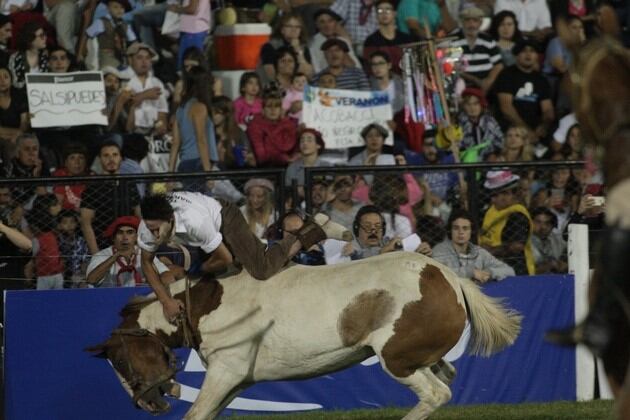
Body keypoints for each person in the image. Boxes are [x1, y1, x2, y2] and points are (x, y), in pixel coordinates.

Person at [137, 192, 333, 321]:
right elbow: (146, 262)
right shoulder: (148, 227)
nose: (154, 236)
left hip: (223, 216)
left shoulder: (194, 222)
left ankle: (311, 229)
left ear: (171, 220)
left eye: (157, 230)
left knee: (261, 269)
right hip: (201, 226)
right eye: (150, 229)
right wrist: (166, 301)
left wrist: (197, 269)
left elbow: (224, 258)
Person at [80, 140, 141, 255]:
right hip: (104, 246)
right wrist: (96, 254)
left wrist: (139, 246)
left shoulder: (129, 184)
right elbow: (86, 223)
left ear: (121, 158)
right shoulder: (93, 187)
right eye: (106, 155)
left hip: (129, 245)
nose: (111, 159)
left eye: (115, 155)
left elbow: (139, 215)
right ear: (100, 159)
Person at [86, 215, 173, 287]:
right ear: (113, 237)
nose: (125, 238)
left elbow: (167, 276)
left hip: (140, 300)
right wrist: (115, 257)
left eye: (130, 232)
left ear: (136, 237)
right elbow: (91, 280)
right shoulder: (102, 255)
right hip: (110, 300)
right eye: (120, 233)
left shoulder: (143, 253)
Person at [494, 38, 555, 138]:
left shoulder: (541, 79)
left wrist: (544, 126)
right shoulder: (506, 75)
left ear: (537, 56)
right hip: (511, 128)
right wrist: (526, 130)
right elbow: (506, 109)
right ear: (517, 55)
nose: (528, 54)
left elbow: (548, 109)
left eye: (532, 51)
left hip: (535, 130)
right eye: (523, 51)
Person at [433, 209, 515, 282]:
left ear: (471, 231)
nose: (461, 232)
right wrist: (471, 273)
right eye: (456, 228)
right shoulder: (439, 250)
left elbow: (510, 271)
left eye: (465, 228)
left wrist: (489, 273)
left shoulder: (479, 252)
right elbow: (437, 274)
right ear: (450, 230)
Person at [479, 170, 534, 275]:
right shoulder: (491, 211)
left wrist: (489, 252)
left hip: (517, 272)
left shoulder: (518, 215)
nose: (492, 200)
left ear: (507, 194)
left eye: (495, 196)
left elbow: (516, 246)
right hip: (492, 270)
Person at [168, 65, 218, 177]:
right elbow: (201, 140)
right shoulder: (199, 107)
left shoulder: (180, 109)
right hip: (199, 164)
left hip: (185, 164)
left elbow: (175, 143)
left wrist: (170, 174)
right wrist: (208, 173)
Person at [450, 6, 503, 92]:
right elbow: (453, 67)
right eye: (467, 20)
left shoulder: (488, 40)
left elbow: (498, 65)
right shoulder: (454, 40)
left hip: (487, 86)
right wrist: (475, 80)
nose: (471, 24)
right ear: (462, 22)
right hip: (462, 86)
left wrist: (489, 81)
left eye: (475, 20)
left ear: (480, 23)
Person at [246, 86, 299, 167]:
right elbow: (261, 157)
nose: (273, 110)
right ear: (263, 111)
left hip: (289, 167)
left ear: (281, 110)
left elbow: (293, 150)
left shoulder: (289, 126)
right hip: (265, 169)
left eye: (276, 106)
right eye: (269, 106)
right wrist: (283, 158)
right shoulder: (255, 127)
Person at [124, 43, 169, 136]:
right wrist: (145, 95)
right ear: (130, 60)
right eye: (139, 58)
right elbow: (125, 105)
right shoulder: (124, 80)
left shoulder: (157, 82)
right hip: (131, 131)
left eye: (148, 58)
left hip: (153, 131)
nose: (144, 62)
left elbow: (162, 110)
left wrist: (161, 127)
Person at [362, 0, 416, 75]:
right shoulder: (371, 41)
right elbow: (369, 68)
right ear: (376, 15)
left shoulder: (406, 39)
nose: (384, 13)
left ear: (395, 13)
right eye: (380, 11)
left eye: (388, 9)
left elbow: (413, 64)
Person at [26, 194, 64, 290]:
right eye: (55, 205)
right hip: (44, 275)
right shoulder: (40, 235)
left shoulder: (55, 230)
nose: (59, 207)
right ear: (47, 208)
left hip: (57, 272)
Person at [84, 0, 136, 69]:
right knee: (110, 70)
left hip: (122, 56)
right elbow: (88, 35)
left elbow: (133, 40)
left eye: (122, 8)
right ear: (108, 9)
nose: (119, 10)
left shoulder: (125, 25)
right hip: (106, 55)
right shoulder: (101, 22)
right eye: (115, 7)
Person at [457, 87, 503, 160]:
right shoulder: (459, 124)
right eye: (468, 104)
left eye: (475, 104)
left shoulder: (490, 122)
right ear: (463, 106)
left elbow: (500, 142)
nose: (472, 108)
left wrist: (492, 154)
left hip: (488, 164)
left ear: (481, 105)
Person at [308, 7, 359, 73]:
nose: (327, 25)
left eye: (330, 21)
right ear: (317, 25)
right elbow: (316, 69)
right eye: (322, 22)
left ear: (335, 23)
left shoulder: (343, 40)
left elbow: (356, 66)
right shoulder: (312, 43)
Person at [285, 127, 331, 195]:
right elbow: (287, 193)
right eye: (302, 141)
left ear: (318, 145)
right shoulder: (292, 168)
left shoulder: (327, 166)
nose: (305, 143)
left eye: (309, 140)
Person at [167, 0, 211, 69]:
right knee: (193, 63)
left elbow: (192, 9)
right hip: (195, 30)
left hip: (193, 31)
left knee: (188, 65)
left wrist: (176, 9)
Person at [7, 22, 48, 89]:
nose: (45, 38)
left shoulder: (46, 56)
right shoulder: (16, 58)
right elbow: (15, 83)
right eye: (41, 35)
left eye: (45, 34)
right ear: (30, 39)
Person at [530, 207, 567, 274]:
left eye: (547, 223)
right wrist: (548, 266)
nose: (543, 227)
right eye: (538, 222)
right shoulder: (524, 240)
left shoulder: (556, 238)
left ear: (552, 226)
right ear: (531, 222)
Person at [56, 209, 89, 286]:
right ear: (59, 225)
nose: (69, 225)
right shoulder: (57, 241)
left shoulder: (81, 241)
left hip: (77, 274)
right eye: (65, 222)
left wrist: (83, 274)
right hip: (60, 274)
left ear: (76, 224)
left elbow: (84, 261)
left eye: (72, 222)